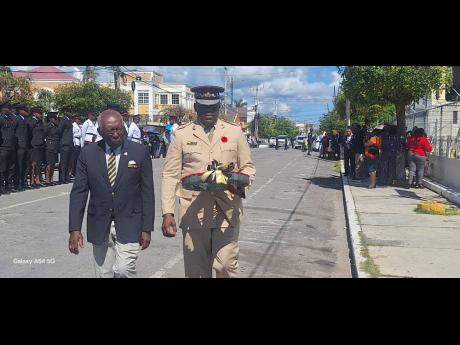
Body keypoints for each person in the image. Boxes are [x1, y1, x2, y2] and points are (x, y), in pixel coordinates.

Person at [161, 85, 256, 278]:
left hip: (227, 210)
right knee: (196, 272)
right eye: (204, 108)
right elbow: (170, 175)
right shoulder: (182, 135)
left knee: (226, 267)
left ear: (219, 107)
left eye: (213, 108)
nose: (209, 112)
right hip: (193, 212)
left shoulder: (234, 132)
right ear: (196, 107)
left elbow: (248, 167)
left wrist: (239, 181)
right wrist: (168, 212)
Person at [68, 109, 154, 278]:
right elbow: (79, 192)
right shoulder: (88, 154)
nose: (116, 134)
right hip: (100, 223)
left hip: (130, 222)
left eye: (119, 129)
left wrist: (147, 228)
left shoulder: (139, 152)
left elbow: (147, 192)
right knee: (104, 273)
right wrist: (74, 229)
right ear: (100, 132)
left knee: (123, 270)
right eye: (111, 130)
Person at [0, 102, 18, 194]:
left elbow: (16, 121)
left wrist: (11, 114)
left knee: (10, 168)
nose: (10, 110)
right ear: (3, 109)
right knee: (2, 169)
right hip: (3, 147)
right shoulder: (1, 118)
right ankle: (1, 187)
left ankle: (8, 186)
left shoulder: (10, 118)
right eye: (8, 108)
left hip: (11, 146)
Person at [14, 103, 31, 191]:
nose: (27, 111)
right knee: (19, 165)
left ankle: (24, 182)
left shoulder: (26, 120)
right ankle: (18, 183)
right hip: (19, 145)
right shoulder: (16, 119)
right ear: (20, 111)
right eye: (25, 110)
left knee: (25, 165)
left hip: (26, 145)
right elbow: (14, 132)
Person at [58, 106, 75, 184]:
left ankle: (66, 177)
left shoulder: (69, 120)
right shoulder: (63, 120)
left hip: (70, 143)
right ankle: (62, 178)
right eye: (69, 111)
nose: (70, 113)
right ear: (65, 112)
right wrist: (62, 141)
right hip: (65, 143)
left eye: (71, 111)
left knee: (68, 161)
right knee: (63, 162)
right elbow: (59, 131)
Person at [44, 112, 60, 186]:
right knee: (49, 164)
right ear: (50, 119)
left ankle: (51, 179)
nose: (55, 119)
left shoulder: (56, 126)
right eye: (54, 118)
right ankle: (47, 180)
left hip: (55, 146)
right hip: (50, 145)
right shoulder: (48, 126)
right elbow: (44, 135)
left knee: (53, 163)